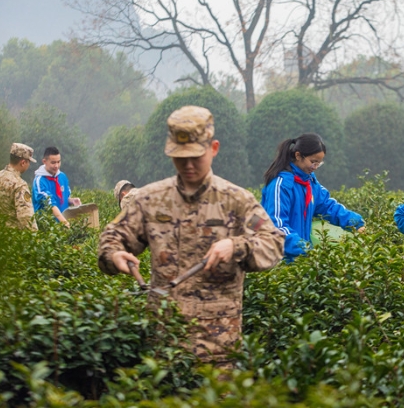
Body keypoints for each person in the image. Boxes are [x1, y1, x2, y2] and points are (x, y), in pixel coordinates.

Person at [98, 106, 284, 368]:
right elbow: (113, 236)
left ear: (214, 148)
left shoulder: (237, 201)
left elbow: (272, 242)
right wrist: (114, 254)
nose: (188, 165)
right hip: (165, 351)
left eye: (195, 156)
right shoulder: (151, 200)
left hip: (219, 352)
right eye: (179, 157)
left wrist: (236, 245)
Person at [261, 133, 365, 262]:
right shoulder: (281, 184)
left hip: (301, 261)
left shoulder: (310, 182)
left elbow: (328, 206)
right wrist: (304, 249)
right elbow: (276, 227)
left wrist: (355, 223)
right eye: (313, 162)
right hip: (279, 261)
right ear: (298, 156)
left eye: (319, 164)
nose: (315, 167)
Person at [0, 143, 39, 231]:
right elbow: (26, 217)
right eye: (28, 162)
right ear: (23, 162)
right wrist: (35, 239)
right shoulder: (19, 184)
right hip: (12, 239)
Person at [32, 146, 81, 226]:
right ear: (44, 161)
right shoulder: (39, 181)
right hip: (47, 227)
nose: (56, 166)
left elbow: (64, 197)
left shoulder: (62, 176)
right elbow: (50, 204)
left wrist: (72, 201)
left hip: (64, 224)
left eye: (58, 162)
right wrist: (64, 223)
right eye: (53, 162)